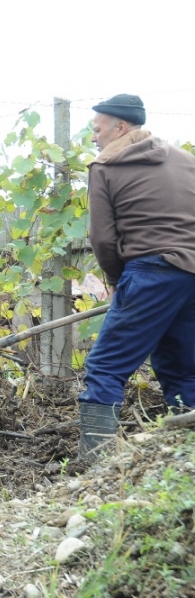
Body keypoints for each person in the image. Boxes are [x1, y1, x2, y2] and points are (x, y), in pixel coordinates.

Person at [78, 94, 195, 460]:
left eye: (98, 129)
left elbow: (102, 237)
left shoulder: (105, 166)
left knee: (104, 366)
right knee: (183, 368)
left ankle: (94, 463)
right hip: (191, 271)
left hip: (150, 272)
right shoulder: (186, 161)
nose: (94, 138)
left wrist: (116, 282)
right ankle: (186, 456)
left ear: (120, 127)